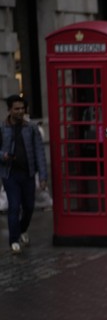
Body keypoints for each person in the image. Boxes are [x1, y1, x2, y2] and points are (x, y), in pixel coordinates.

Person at [1, 94, 48, 255]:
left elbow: (39, 153)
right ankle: (14, 240)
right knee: (14, 206)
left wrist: (43, 177)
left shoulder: (32, 128)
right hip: (10, 174)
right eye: (17, 109)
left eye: (22, 108)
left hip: (28, 174)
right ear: (9, 110)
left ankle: (21, 230)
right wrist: (3, 156)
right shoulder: (2, 128)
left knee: (28, 207)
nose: (20, 111)